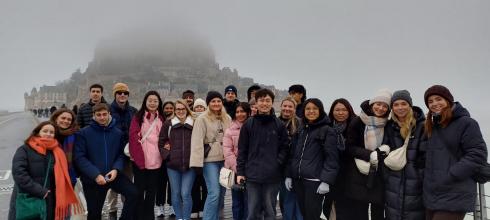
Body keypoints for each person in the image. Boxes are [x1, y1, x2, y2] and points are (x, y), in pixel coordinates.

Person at [423, 85, 487, 220]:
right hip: (433, 195)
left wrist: (452, 174)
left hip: (455, 192)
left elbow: (477, 153)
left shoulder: (466, 123)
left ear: (448, 100)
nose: (434, 104)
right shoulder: (433, 127)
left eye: (438, 99)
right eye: (430, 101)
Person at [74, 103, 138, 220]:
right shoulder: (83, 133)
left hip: (112, 175)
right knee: (94, 213)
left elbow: (120, 154)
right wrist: (96, 175)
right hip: (93, 179)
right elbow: (80, 157)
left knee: (133, 193)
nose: (102, 117)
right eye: (99, 115)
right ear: (93, 116)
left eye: (104, 114)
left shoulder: (117, 133)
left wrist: (115, 169)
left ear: (109, 114)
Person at [236, 88, 289, 220]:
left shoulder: (279, 125)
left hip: (273, 176)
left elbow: (285, 147)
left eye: (267, 100)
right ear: (256, 103)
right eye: (261, 100)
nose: (264, 103)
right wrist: (240, 172)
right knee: (253, 212)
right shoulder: (248, 124)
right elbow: (242, 150)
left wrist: (277, 163)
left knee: (270, 210)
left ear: (272, 102)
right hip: (252, 176)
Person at [11, 121, 82, 220]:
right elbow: (19, 174)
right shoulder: (24, 149)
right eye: (45, 131)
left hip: (52, 200)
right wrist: (40, 191)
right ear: (37, 132)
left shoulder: (57, 151)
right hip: (31, 198)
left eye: (51, 132)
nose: (48, 134)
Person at [286, 98, 339, 220]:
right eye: (308, 108)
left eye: (315, 108)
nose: (311, 111)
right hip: (299, 180)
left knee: (313, 215)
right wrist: (289, 175)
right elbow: (292, 154)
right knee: (305, 213)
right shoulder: (301, 129)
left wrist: (326, 181)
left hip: (315, 181)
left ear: (320, 111)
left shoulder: (327, 130)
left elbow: (332, 159)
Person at [344, 89, 392, 220]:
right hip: (359, 172)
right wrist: (369, 155)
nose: (381, 108)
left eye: (385, 106)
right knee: (360, 211)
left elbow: (391, 144)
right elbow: (349, 147)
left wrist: (385, 149)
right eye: (378, 104)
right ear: (372, 104)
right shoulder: (358, 121)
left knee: (378, 211)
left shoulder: (388, 124)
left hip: (380, 173)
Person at [382, 90, 426, 220]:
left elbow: (426, 156)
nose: (400, 108)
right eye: (396, 104)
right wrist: (387, 177)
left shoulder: (422, 126)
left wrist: (420, 178)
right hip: (393, 185)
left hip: (416, 186)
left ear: (410, 105)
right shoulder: (389, 126)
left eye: (403, 103)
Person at [190, 91, 231, 220]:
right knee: (214, 192)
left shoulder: (227, 118)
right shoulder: (202, 119)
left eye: (218, 101)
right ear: (208, 103)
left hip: (225, 160)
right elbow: (196, 142)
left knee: (222, 193)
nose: (216, 103)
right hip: (210, 161)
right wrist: (196, 164)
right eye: (213, 101)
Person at [129, 91, 165, 220]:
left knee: (151, 193)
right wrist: (139, 161)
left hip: (156, 161)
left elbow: (165, 138)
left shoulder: (161, 119)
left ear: (159, 103)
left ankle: (149, 217)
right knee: (139, 192)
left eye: (155, 101)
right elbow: (133, 138)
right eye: (150, 100)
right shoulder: (138, 118)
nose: (152, 103)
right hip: (140, 162)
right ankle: (138, 216)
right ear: (145, 101)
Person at [159, 99, 196, 220]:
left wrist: (198, 157)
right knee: (175, 194)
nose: (180, 111)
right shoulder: (168, 124)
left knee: (185, 194)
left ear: (187, 109)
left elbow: (202, 142)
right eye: (178, 109)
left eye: (183, 108)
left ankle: (186, 218)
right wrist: (168, 156)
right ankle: (179, 218)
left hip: (190, 165)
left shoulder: (194, 123)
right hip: (172, 166)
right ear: (175, 110)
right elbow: (161, 143)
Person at [107, 82, 138, 219]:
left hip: (128, 153)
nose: (122, 95)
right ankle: (112, 209)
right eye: (119, 93)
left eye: (125, 93)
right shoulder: (108, 110)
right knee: (112, 183)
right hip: (113, 153)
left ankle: (127, 211)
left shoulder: (133, 111)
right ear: (115, 94)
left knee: (127, 182)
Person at [324, 98, 356, 219]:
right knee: (329, 208)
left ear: (349, 111)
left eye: (344, 110)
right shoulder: (326, 128)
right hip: (331, 176)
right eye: (337, 110)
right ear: (332, 111)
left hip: (350, 176)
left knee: (347, 209)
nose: (341, 113)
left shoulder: (355, 127)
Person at [223, 102, 252, 220]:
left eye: (243, 111)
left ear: (248, 112)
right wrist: (239, 169)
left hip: (251, 170)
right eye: (237, 112)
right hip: (235, 171)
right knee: (237, 202)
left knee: (249, 202)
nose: (240, 114)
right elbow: (228, 152)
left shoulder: (253, 126)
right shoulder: (229, 130)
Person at [277, 96, 303, 220]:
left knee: (293, 200)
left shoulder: (299, 123)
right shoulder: (275, 122)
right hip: (277, 167)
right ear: (281, 107)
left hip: (293, 167)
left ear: (294, 108)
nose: (287, 108)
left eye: (290, 106)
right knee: (283, 199)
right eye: (285, 106)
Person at [49, 109, 79, 186]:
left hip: (69, 175)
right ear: (56, 119)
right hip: (50, 175)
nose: (66, 121)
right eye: (63, 118)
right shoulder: (48, 133)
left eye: (69, 120)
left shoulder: (76, 135)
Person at [157, 100, 175, 217]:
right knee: (160, 184)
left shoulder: (176, 121)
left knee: (173, 184)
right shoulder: (158, 121)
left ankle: (173, 206)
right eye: (166, 108)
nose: (168, 110)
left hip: (172, 157)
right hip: (159, 157)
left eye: (170, 108)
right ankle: (160, 206)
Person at [191, 97, 208, 218]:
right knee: (194, 185)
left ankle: (203, 207)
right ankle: (194, 208)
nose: (199, 108)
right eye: (197, 106)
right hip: (193, 157)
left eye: (201, 106)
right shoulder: (189, 120)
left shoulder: (208, 119)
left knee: (206, 185)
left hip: (207, 157)